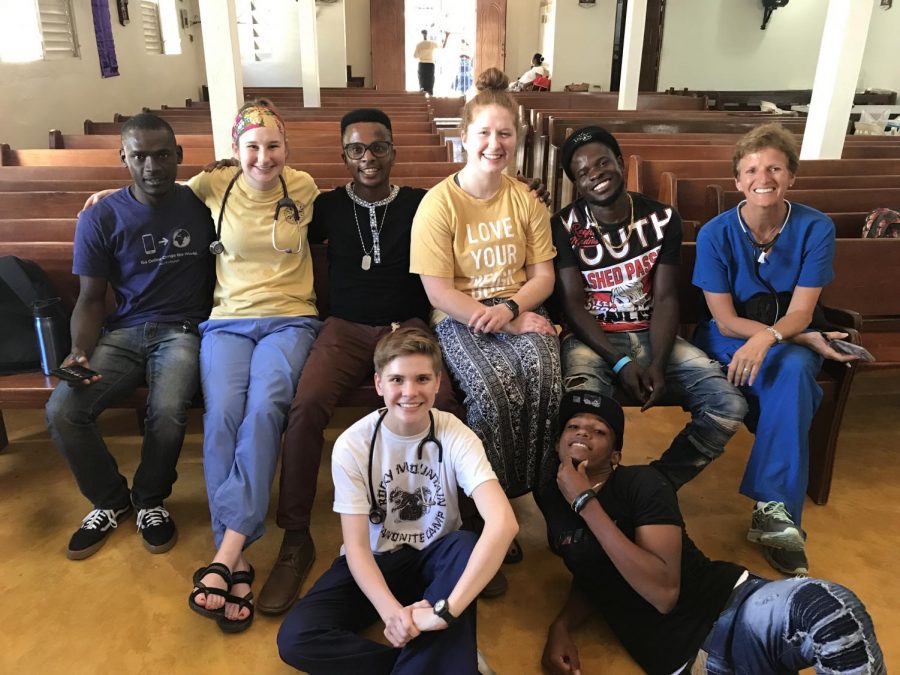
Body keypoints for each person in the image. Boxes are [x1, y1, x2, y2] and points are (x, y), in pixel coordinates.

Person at [261, 107, 548, 613]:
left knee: (451, 406)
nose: (367, 158)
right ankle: (295, 537)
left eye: (377, 148)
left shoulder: (422, 202)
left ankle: (464, 529)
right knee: (305, 407)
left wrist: (526, 189)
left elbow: (475, 191)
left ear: (393, 151)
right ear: (344, 155)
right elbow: (265, 197)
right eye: (355, 149)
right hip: (345, 329)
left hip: (409, 328)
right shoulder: (325, 207)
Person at [538, 390, 885, 675]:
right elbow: (591, 572)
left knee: (831, 611)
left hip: (731, 607)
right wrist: (562, 626)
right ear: (557, 445)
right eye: (573, 426)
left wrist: (584, 500)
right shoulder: (552, 501)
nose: (583, 432)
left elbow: (663, 592)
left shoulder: (642, 483)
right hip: (689, 661)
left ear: (615, 456)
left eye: (599, 431)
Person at [277, 327, 518, 674]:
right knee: (296, 639)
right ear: (378, 384)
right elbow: (357, 549)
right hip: (374, 563)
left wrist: (444, 611)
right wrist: (394, 616)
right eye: (397, 380)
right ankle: (451, 664)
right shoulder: (352, 445)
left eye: (421, 378)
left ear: (438, 383)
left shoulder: (456, 434)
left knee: (465, 545)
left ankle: (442, 655)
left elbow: (504, 522)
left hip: (433, 561)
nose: (409, 392)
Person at [46, 113, 214, 561]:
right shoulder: (101, 217)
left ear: (179, 156)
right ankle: (109, 500)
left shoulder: (203, 205)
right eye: (139, 156)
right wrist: (79, 351)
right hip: (124, 333)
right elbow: (90, 298)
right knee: (63, 410)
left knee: (167, 406)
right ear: (124, 157)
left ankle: (149, 500)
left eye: (162, 155)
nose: (152, 166)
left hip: (183, 331)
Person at [692, 123, 858, 576]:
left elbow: (803, 312)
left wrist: (775, 337)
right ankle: (777, 510)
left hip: (787, 332)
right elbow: (724, 319)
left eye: (774, 168)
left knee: (793, 373)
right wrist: (784, 336)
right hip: (729, 335)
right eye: (751, 170)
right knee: (795, 381)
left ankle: (774, 510)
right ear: (738, 181)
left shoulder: (815, 227)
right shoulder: (715, 234)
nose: (762, 177)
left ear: (791, 177)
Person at [410, 68, 562, 562]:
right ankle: (483, 512)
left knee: (545, 376)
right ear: (464, 137)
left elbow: (543, 276)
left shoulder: (525, 201)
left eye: (504, 134)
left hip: (516, 307)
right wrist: (501, 317)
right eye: (484, 133)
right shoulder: (440, 204)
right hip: (459, 317)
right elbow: (436, 289)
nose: (493, 144)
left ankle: (536, 492)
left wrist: (515, 309)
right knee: (495, 392)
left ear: (517, 139)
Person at [184, 100, 321, 632]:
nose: (263, 158)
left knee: (265, 409)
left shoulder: (304, 188)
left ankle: (227, 554)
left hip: (290, 320)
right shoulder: (213, 185)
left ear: (286, 147)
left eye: (273, 146)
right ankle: (234, 560)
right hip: (228, 323)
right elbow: (157, 200)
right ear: (235, 149)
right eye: (252, 147)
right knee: (221, 414)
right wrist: (107, 199)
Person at [552, 125, 748, 491]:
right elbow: (574, 307)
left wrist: (657, 362)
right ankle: (586, 498)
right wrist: (621, 363)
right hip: (591, 340)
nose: (595, 174)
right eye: (582, 172)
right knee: (584, 419)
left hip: (652, 334)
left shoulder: (661, 218)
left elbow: (666, 298)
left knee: (728, 406)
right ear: (576, 184)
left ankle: (656, 484)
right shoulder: (565, 226)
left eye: (603, 162)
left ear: (620, 163)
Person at [413, 29, 448, 96]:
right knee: (430, 83)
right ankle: (430, 98)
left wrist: (422, 53)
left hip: (422, 65)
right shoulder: (431, 43)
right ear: (427, 34)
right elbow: (443, 46)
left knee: (422, 82)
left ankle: (422, 97)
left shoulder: (419, 45)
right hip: (430, 65)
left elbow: (415, 56)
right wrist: (446, 36)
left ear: (422, 34)